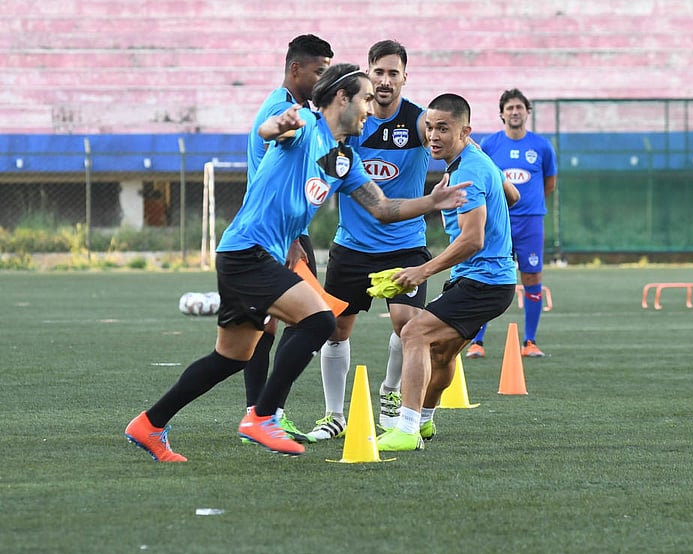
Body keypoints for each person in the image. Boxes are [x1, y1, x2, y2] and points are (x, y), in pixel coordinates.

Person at [124, 63, 469, 461]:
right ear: (341, 99)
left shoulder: (342, 159)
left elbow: (385, 208)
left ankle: (149, 424)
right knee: (321, 319)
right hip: (246, 251)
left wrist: (432, 201)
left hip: (255, 257)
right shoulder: (305, 123)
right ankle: (263, 417)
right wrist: (277, 124)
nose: (371, 110)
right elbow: (270, 131)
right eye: (365, 99)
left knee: (228, 358)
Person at [305, 40, 433, 440]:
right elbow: (325, 158)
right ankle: (333, 415)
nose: (384, 80)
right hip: (353, 245)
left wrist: (488, 177)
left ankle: (392, 393)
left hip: (405, 244)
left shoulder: (418, 121)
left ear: (404, 78)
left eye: (393, 73)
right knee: (335, 329)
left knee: (406, 324)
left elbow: (458, 143)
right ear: (368, 74)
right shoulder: (352, 119)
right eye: (378, 72)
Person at [376, 93, 518, 451]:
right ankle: (422, 422)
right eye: (429, 127)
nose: (434, 135)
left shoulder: (469, 169)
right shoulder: (474, 159)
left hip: (484, 280)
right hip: (486, 279)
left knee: (414, 333)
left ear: (465, 131)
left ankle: (405, 429)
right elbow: (512, 195)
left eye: (444, 128)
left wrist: (422, 271)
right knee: (442, 353)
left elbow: (472, 240)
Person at [241, 34, 333, 443]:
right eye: (320, 70)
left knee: (266, 323)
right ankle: (266, 414)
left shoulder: (295, 107)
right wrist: (293, 237)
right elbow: (278, 139)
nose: (324, 78)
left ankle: (259, 413)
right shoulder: (287, 111)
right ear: (296, 69)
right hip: (279, 234)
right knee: (308, 318)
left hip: (278, 232)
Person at [465, 88, 557, 359]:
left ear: (528, 112)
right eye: (510, 108)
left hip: (530, 222)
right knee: (486, 273)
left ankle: (530, 341)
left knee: (532, 276)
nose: (515, 112)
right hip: (497, 221)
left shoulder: (541, 146)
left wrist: (529, 204)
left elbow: (549, 184)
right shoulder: (491, 145)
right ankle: (477, 341)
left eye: (519, 107)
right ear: (502, 114)